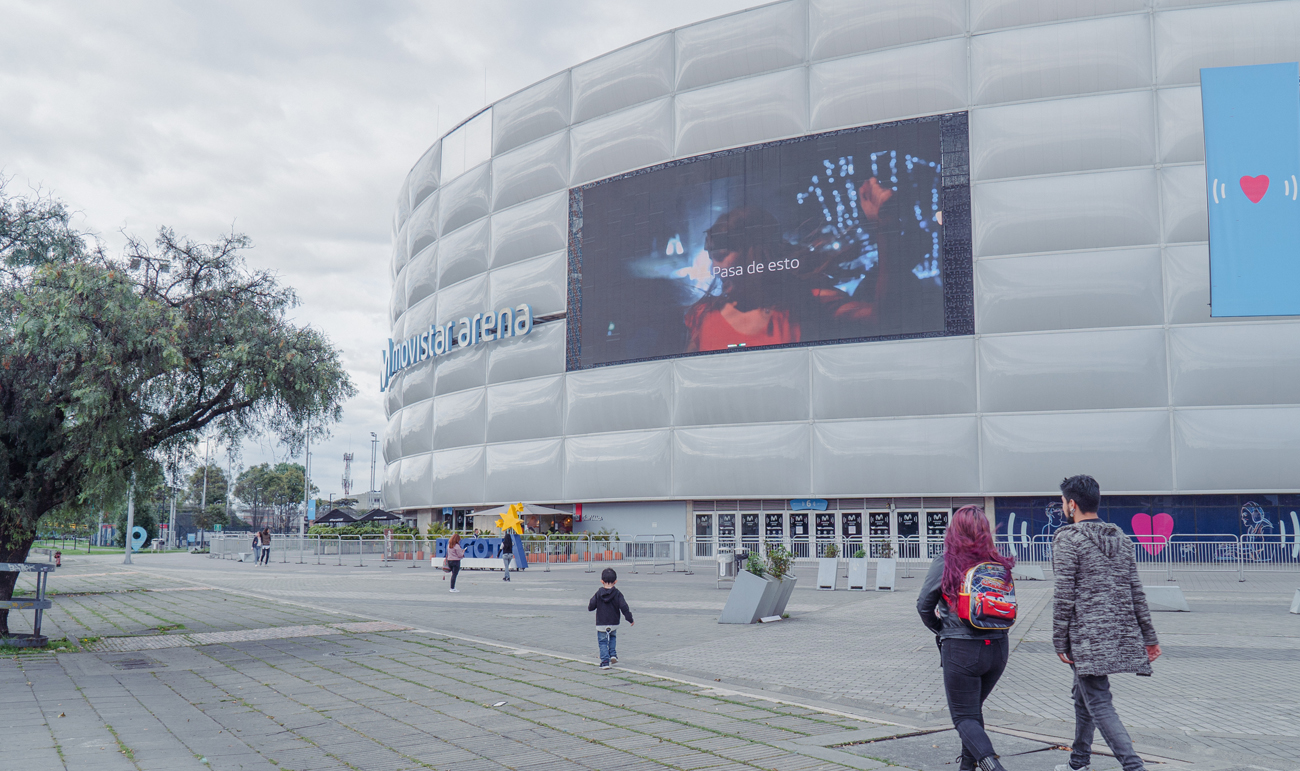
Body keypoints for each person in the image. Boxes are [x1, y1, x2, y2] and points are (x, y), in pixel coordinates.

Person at [1053, 475, 1161, 771]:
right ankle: (1078, 762)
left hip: (1086, 638)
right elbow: (1136, 591)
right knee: (1083, 694)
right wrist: (1149, 637)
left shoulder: (1068, 539)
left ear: (1072, 504)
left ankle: (1134, 766)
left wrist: (1059, 641)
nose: (1063, 507)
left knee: (1099, 701)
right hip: (1117, 634)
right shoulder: (1122, 538)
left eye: (1063, 502)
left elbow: (1064, 595)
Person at [916, 506, 1016, 771]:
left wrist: (941, 628)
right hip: (998, 648)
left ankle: (992, 765)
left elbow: (923, 605)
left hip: (962, 650)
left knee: (963, 717)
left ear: (954, 530)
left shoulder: (947, 560)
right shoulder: (996, 562)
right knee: (973, 713)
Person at [587, 567, 633, 670]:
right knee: (612, 637)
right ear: (615, 581)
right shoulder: (618, 594)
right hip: (614, 622)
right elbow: (624, 607)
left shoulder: (598, 593)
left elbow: (591, 606)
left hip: (601, 622)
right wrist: (630, 619)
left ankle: (605, 661)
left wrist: (591, 607)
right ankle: (613, 654)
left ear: (602, 581)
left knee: (603, 642)